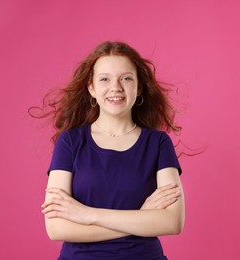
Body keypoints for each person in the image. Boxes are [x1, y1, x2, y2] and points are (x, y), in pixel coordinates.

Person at [39, 41, 185, 260]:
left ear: (139, 87)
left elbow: (172, 222)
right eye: (105, 79)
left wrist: (87, 215)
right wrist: (142, 218)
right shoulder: (70, 142)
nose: (116, 87)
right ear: (92, 88)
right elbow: (57, 228)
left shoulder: (158, 143)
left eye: (126, 78)